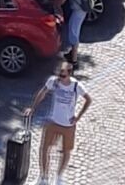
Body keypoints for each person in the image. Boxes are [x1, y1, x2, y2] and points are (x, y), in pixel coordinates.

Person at [33, 56, 93, 184]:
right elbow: (42, 93)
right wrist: (32, 109)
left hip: (68, 125)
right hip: (53, 121)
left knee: (66, 151)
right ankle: (43, 177)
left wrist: (78, 117)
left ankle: (59, 177)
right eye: (59, 74)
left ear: (70, 74)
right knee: (44, 148)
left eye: (63, 75)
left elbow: (88, 100)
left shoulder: (76, 86)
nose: (60, 77)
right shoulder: (53, 81)